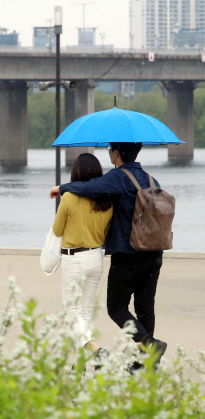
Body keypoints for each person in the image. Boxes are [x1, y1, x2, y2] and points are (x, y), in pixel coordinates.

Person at [50, 142, 168, 371]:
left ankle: (150, 346)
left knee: (116, 307)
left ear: (116, 153)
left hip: (129, 254)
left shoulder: (119, 177)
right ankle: (145, 363)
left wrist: (62, 187)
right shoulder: (152, 180)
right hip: (154, 253)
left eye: (109, 151)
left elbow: (88, 187)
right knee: (145, 306)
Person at [52, 153, 112, 362]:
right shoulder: (107, 200)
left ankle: (97, 351)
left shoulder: (69, 197)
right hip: (96, 257)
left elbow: (58, 230)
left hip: (74, 258)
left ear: (75, 172)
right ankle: (78, 363)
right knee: (84, 313)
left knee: (72, 313)